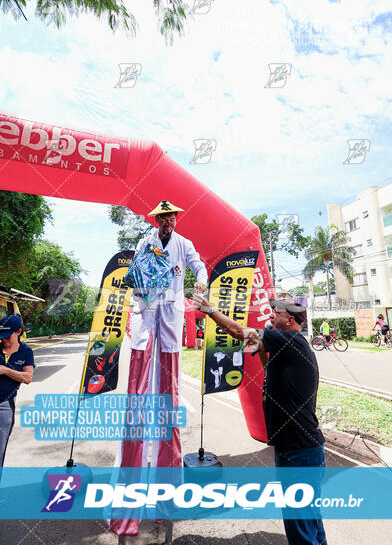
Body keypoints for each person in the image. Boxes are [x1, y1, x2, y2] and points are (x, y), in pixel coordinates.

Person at [193, 293, 327, 545]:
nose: (272, 314)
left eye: (278, 312)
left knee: (299, 525)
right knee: (310, 518)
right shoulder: (292, 346)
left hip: (297, 451)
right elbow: (270, 373)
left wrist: (209, 310)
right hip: (303, 449)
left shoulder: (289, 340)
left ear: (290, 321)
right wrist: (264, 348)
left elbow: (238, 331)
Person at [111, 200, 207, 536]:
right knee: (137, 404)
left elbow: (199, 266)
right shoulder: (144, 242)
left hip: (169, 322)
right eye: (164, 217)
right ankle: (128, 503)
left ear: (177, 219)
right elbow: (135, 273)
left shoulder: (185, 245)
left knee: (169, 403)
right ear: (157, 220)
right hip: (146, 316)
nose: (169, 221)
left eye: (172, 217)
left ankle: (166, 500)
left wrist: (200, 282)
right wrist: (143, 288)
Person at [0, 314, 35, 467]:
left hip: (4, 405)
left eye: (7, 336)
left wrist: (5, 370)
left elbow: (27, 378)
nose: (3, 339)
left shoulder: (26, 352)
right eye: (1, 336)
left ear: (19, 331)